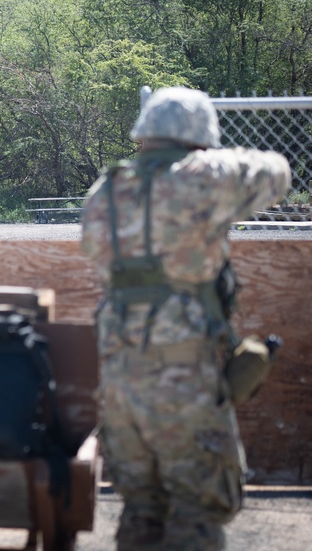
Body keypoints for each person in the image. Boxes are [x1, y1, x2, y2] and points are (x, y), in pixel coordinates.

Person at [80, 86, 291, 551]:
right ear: (199, 136)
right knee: (196, 508)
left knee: (142, 507)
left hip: (120, 379)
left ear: (144, 134)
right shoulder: (205, 178)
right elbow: (278, 173)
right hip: (185, 378)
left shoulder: (106, 192)